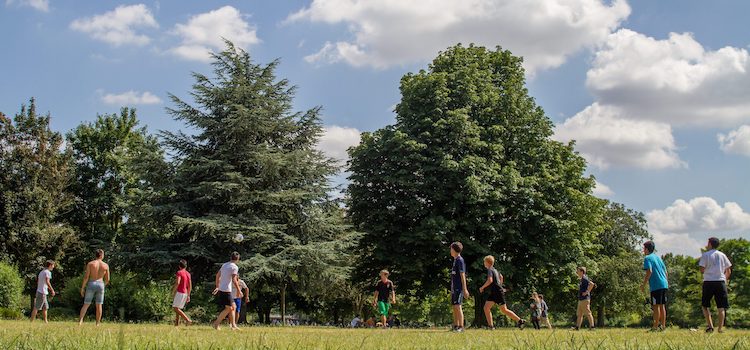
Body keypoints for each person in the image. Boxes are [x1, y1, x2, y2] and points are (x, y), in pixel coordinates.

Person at [479, 255, 525, 329]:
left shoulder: (490, 270)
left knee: (504, 310)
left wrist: (482, 287)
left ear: (487, 262)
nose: (484, 264)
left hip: (497, 292)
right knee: (486, 307)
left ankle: (520, 320)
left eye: (484, 262)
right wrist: (500, 285)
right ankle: (491, 326)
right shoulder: (495, 270)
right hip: (494, 292)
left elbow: (490, 280)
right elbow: (501, 277)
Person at [699, 237, 732, 333]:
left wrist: (708, 271)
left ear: (710, 244)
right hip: (720, 281)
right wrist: (724, 279)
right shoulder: (722, 255)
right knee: (721, 307)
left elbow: (701, 269)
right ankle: (720, 328)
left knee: (705, 305)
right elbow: (728, 270)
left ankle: (710, 326)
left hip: (709, 281)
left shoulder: (705, 255)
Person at [640, 240, 668, 332]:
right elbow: (665, 271)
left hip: (656, 285)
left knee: (655, 306)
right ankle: (663, 326)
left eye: (644, 248)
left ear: (647, 249)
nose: (643, 250)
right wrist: (666, 282)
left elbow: (649, 271)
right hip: (664, 284)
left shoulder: (648, 258)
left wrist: (643, 284)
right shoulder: (658, 258)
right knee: (662, 305)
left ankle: (655, 327)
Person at [212, 251, 243, 330]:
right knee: (228, 308)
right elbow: (234, 280)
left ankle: (233, 325)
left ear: (230, 257)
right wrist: (239, 290)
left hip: (223, 289)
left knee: (233, 307)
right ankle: (216, 324)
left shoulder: (225, 265)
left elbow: (218, 275)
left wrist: (217, 286)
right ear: (238, 259)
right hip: (226, 290)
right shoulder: (234, 267)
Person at [78, 249, 110, 326]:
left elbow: (86, 277)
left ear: (95, 255)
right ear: (102, 255)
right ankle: (97, 323)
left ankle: (80, 321)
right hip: (100, 283)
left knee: (86, 304)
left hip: (92, 283)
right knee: (99, 305)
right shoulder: (105, 265)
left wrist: (82, 288)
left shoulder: (90, 264)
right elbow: (108, 279)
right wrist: (103, 285)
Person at [449, 242, 470, 332]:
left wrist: (465, 289)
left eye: (451, 249)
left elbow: (462, 275)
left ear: (454, 250)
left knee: (458, 306)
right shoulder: (455, 260)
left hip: (459, 287)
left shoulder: (460, 260)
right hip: (454, 287)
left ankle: (461, 326)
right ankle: (456, 325)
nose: (450, 250)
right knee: (454, 306)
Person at [171, 259, 193, 327]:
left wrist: (173, 291)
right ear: (185, 266)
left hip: (180, 292)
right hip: (185, 293)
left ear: (179, 266)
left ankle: (187, 320)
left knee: (175, 308)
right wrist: (188, 295)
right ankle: (176, 324)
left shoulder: (179, 272)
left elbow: (178, 282)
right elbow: (190, 286)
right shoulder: (188, 274)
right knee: (178, 308)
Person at [573, 266, 595, 330]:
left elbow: (592, 284)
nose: (577, 272)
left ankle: (592, 327)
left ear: (582, 272)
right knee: (579, 314)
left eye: (578, 271)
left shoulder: (585, 278)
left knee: (588, 313)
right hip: (581, 299)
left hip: (585, 299)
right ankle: (577, 327)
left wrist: (587, 292)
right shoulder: (582, 279)